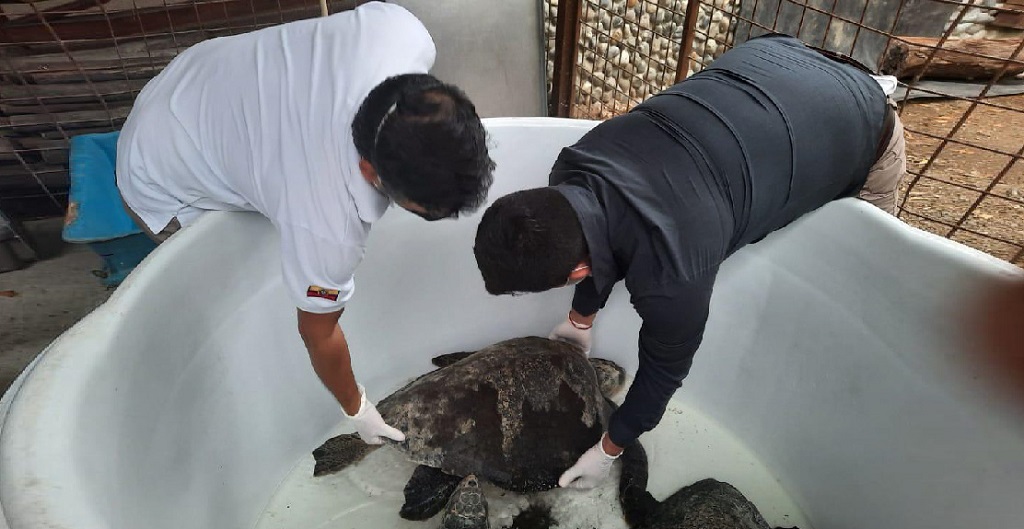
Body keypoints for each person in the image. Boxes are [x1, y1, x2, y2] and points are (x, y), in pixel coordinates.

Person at [473, 33, 906, 489]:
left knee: (867, 262)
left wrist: (610, 448)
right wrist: (581, 319)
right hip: (773, 62)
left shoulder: (673, 274)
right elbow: (600, 225)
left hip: (863, 123)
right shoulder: (574, 165)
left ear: (577, 270)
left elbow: (663, 372)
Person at [116, 2, 495, 444]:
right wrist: (358, 408)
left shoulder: (400, 31)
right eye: (422, 211)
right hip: (164, 162)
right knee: (221, 291)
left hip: (204, 76)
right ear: (370, 173)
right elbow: (318, 333)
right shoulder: (327, 223)